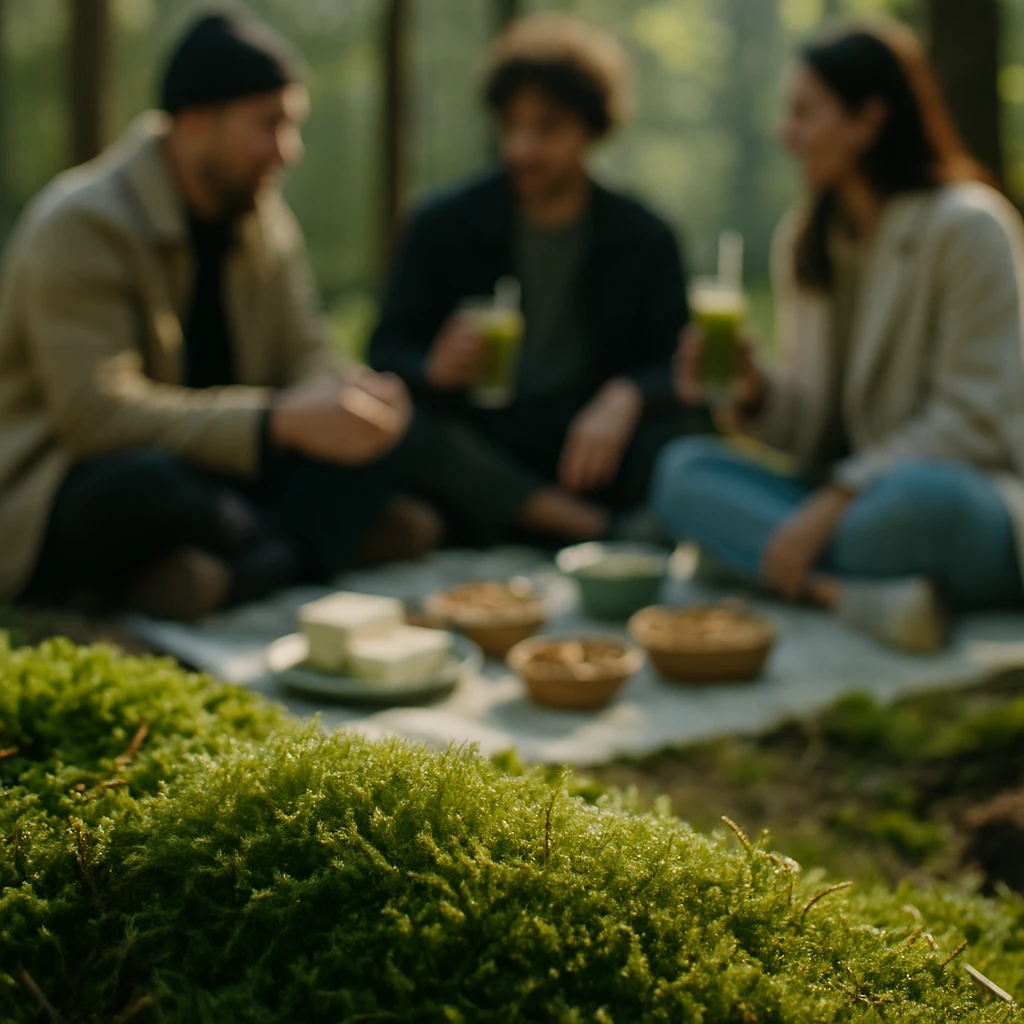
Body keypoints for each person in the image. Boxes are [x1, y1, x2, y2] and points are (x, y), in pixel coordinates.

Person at [0, 11, 438, 621]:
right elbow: (96, 417)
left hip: (226, 466)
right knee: (149, 488)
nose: (288, 150)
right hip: (80, 479)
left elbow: (303, 348)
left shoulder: (262, 216)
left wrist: (348, 398)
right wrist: (277, 422)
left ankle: (225, 573)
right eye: (269, 125)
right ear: (196, 122)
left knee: (392, 438)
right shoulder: (82, 224)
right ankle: (302, 550)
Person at [653, 19, 1024, 653]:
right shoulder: (808, 240)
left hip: (957, 497)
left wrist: (835, 499)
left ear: (868, 120)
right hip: (847, 501)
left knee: (916, 503)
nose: (786, 134)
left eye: (804, 112)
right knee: (681, 470)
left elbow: (974, 420)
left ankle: (749, 554)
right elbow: (813, 428)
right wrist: (756, 394)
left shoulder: (968, 227)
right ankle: (840, 592)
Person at [369, 14, 703, 546]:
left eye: (546, 129)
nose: (522, 149)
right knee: (399, 425)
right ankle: (601, 530)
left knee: (684, 437)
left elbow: (679, 365)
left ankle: (535, 518)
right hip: (484, 441)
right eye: (511, 126)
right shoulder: (442, 225)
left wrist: (627, 395)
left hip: (589, 446)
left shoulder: (644, 235)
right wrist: (432, 367)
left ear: (590, 128)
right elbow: (383, 354)